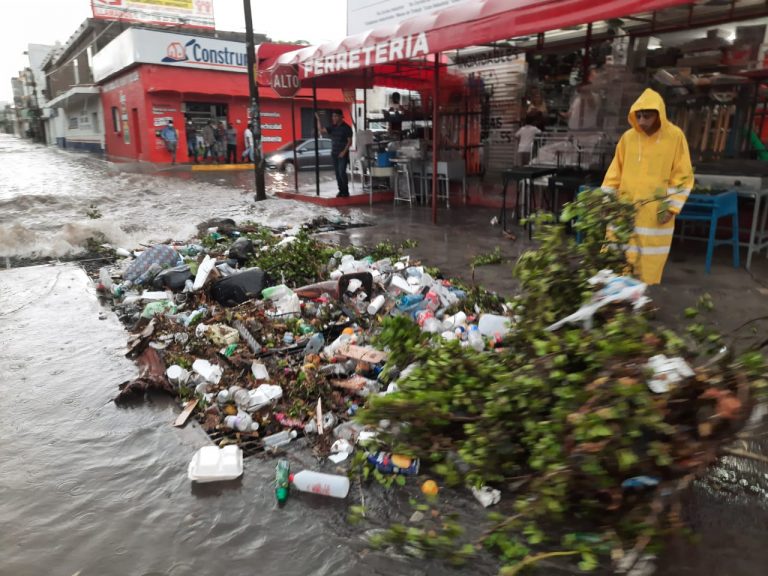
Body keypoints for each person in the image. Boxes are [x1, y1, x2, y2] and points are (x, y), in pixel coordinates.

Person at [601, 88, 694, 285]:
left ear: (659, 115)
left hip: (655, 214)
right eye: (639, 116)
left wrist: (671, 207)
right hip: (623, 210)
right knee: (616, 259)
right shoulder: (628, 138)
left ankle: (639, 294)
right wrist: (607, 201)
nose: (642, 121)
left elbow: (683, 176)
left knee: (646, 264)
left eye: (647, 116)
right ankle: (620, 297)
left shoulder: (675, 137)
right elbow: (614, 173)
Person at [316, 109, 353, 198]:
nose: (334, 118)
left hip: (342, 154)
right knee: (337, 173)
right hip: (334, 153)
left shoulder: (347, 128)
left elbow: (349, 142)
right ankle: (341, 190)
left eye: (336, 116)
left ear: (341, 117)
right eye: (333, 116)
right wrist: (318, 119)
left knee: (342, 172)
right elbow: (321, 130)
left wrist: (344, 152)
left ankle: (346, 191)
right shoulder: (333, 127)